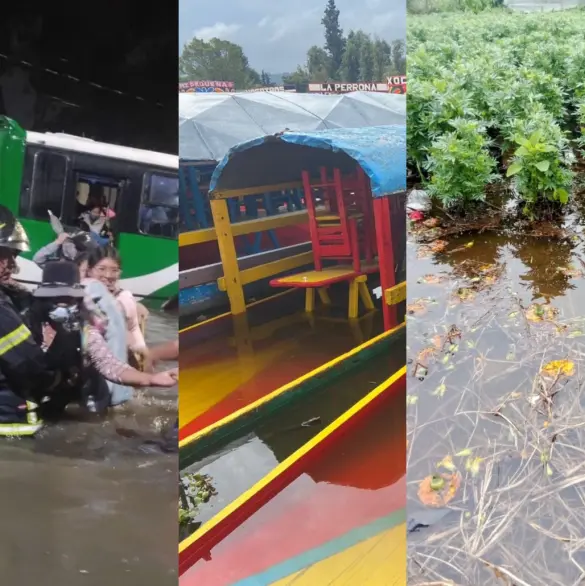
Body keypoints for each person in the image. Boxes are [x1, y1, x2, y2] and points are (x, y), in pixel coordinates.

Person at [31, 261, 177, 416]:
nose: (62, 305)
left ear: (77, 301)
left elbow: (110, 365)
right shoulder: (27, 322)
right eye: (55, 299)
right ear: (43, 300)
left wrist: (152, 379)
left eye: (68, 299)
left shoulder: (83, 330)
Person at [0, 206, 64, 436]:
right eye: (6, 255)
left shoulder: (12, 298)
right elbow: (28, 366)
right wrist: (58, 377)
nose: (12, 265)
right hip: (9, 425)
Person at [86, 246, 150, 367]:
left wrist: (142, 355)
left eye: (114, 270)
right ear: (89, 271)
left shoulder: (124, 298)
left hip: (115, 366)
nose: (108, 275)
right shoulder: (79, 296)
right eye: (101, 269)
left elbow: (133, 329)